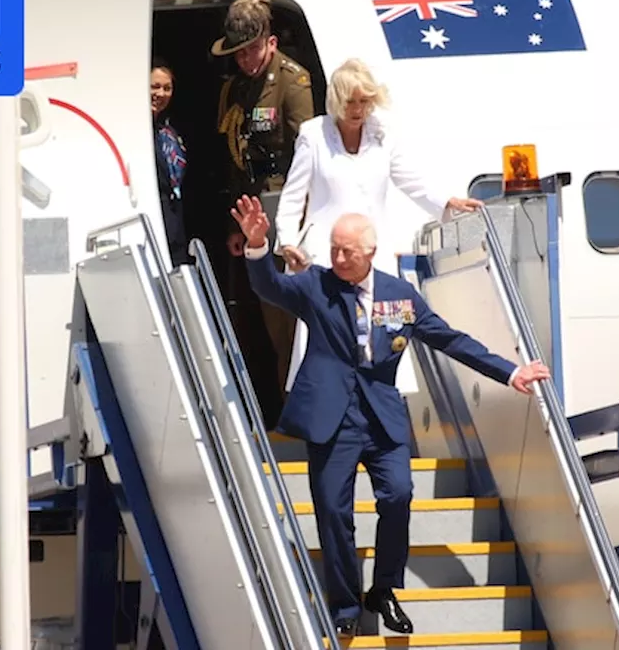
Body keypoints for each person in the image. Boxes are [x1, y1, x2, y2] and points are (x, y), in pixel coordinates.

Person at [230, 196, 551, 636]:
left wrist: (510, 371)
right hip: (332, 419)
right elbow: (269, 287)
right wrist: (257, 245)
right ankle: (345, 606)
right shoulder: (316, 286)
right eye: (335, 249)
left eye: (348, 251)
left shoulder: (401, 296)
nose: (339, 258)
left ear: (371, 253)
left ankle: (383, 589)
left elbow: (451, 340)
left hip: (381, 418)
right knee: (332, 510)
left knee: (398, 495)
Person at [271, 58, 484, 396]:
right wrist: (286, 242)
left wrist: (447, 202)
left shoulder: (382, 134)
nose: (358, 110)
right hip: (329, 254)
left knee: (379, 331)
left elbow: (410, 180)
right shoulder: (314, 135)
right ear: (337, 101)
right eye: (351, 102)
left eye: (365, 101)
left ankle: (379, 400)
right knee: (329, 335)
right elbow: (293, 197)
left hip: (373, 252)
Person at [211, 0, 317, 416]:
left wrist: (297, 221)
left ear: (270, 43)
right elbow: (234, 157)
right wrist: (235, 223)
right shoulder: (235, 89)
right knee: (266, 317)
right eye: (238, 53)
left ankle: (299, 408)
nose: (246, 60)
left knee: (289, 318)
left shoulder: (292, 81)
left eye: (253, 50)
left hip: (286, 208)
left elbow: (306, 153)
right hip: (253, 212)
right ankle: (284, 404)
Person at [150, 59, 190, 267]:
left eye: (167, 88)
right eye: (154, 86)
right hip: (155, 218)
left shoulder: (167, 130)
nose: (161, 93)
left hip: (174, 219)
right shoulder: (137, 128)